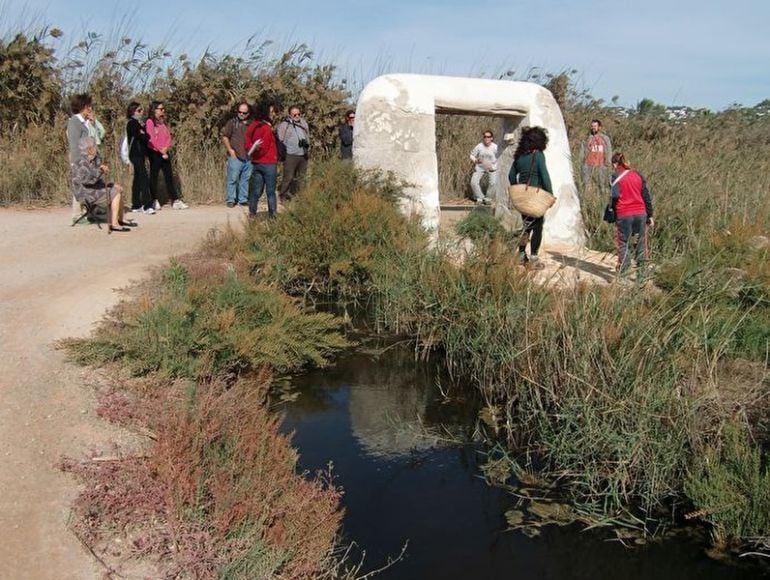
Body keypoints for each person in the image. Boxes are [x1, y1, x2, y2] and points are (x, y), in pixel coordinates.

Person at [509, 126, 553, 270]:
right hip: (536, 197)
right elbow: (545, 177)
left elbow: (511, 175)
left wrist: (518, 189)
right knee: (537, 227)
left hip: (523, 197)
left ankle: (521, 255)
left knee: (526, 226)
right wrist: (550, 195)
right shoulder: (538, 155)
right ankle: (533, 258)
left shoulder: (519, 156)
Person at [71, 136, 135, 233]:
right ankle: (114, 224)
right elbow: (87, 181)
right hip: (86, 193)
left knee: (118, 188)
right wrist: (100, 171)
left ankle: (121, 218)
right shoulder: (81, 163)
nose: (96, 148)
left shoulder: (95, 159)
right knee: (116, 193)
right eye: (94, 146)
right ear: (89, 149)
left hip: (94, 188)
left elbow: (98, 180)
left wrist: (110, 184)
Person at [609, 152, 654, 282]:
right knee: (642, 243)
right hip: (641, 213)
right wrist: (650, 215)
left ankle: (623, 276)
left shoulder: (615, 177)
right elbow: (646, 196)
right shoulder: (637, 175)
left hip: (624, 214)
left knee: (623, 243)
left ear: (615, 164)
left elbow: (614, 197)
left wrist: (612, 214)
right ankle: (642, 277)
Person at [146, 100, 188, 209]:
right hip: (154, 152)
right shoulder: (150, 122)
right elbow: (151, 139)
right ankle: (154, 200)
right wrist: (160, 150)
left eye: (163, 109)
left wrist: (166, 148)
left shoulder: (163, 122)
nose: (163, 111)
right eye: (160, 109)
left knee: (169, 176)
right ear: (154, 110)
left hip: (165, 151)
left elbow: (168, 136)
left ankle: (175, 200)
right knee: (154, 177)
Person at [244, 100, 279, 219]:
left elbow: (247, 141)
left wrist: (252, 152)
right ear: (266, 112)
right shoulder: (267, 128)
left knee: (255, 191)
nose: (273, 114)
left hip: (256, 163)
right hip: (269, 163)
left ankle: (252, 214)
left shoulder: (253, 125)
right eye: (271, 111)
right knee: (270, 192)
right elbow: (264, 147)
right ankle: (272, 216)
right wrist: (259, 152)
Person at [220, 102, 253, 207]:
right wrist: (230, 150)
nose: (241, 114)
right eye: (240, 112)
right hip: (235, 156)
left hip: (248, 157)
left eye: (244, 113)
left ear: (248, 113)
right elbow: (225, 137)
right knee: (232, 179)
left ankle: (243, 199)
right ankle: (231, 199)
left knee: (245, 179)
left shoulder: (251, 124)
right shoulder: (232, 122)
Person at [125, 102, 155, 214]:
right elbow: (141, 136)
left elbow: (146, 135)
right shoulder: (132, 123)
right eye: (139, 110)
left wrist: (144, 134)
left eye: (142, 110)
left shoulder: (138, 123)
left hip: (139, 154)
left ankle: (136, 204)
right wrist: (143, 134)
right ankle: (147, 205)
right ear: (133, 112)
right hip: (135, 154)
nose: (142, 112)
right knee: (143, 177)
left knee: (137, 178)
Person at [276, 105, 310, 200]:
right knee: (288, 176)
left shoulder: (303, 123)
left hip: (303, 154)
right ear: (289, 115)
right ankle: (283, 195)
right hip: (290, 155)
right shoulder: (284, 125)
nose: (297, 116)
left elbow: (307, 136)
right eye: (294, 115)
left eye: (299, 114)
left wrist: (307, 145)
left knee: (301, 177)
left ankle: (299, 196)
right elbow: (280, 139)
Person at [581, 119, 613, 194]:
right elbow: (583, 151)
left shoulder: (605, 138)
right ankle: (589, 197)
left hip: (601, 164)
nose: (593, 128)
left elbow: (609, 150)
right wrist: (583, 162)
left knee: (602, 184)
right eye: (592, 126)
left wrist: (608, 162)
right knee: (587, 184)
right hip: (589, 164)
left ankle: (603, 197)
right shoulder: (588, 138)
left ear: (599, 127)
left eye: (595, 126)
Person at [469, 130, 498, 204]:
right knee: (473, 182)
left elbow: (500, 157)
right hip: (480, 167)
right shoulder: (479, 146)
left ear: (491, 138)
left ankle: (488, 198)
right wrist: (475, 160)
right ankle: (480, 197)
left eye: (488, 137)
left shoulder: (495, 147)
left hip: (491, 168)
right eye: (485, 137)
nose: (486, 138)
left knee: (493, 183)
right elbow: (471, 155)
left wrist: (494, 166)